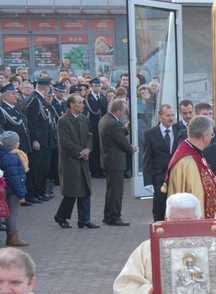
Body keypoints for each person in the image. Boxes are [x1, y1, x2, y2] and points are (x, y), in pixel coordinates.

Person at [112, 193, 204, 294]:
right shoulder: (146, 249)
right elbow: (124, 286)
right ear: (166, 219)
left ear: (200, 220)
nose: (181, 226)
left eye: (188, 220)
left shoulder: (212, 249)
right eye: (175, 220)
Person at [164, 116, 216, 219]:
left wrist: (212, 180)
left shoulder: (194, 152)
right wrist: (214, 183)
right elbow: (195, 192)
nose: (212, 138)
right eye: (212, 135)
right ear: (205, 137)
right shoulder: (187, 161)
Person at [54, 93, 99, 229]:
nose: (83, 105)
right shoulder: (63, 120)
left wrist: (88, 149)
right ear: (72, 105)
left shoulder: (83, 119)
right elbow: (65, 143)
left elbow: (89, 137)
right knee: (72, 191)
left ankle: (84, 219)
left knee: (85, 190)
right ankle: (61, 216)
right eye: (80, 103)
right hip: (71, 161)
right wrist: (81, 152)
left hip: (83, 160)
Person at [99, 99, 136, 226]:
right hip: (114, 161)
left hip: (109, 160)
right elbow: (121, 140)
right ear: (118, 111)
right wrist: (131, 148)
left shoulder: (106, 119)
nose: (124, 114)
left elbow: (116, 135)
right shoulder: (112, 123)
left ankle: (108, 215)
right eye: (123, 111)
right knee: (116, 190)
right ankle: (114, 216)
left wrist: (125, 129)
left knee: (111, 189)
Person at [142, 104, 181, 221]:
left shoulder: (180, 132)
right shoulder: (150, 134)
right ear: (160, 117)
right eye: (167, 115)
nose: (171, 118)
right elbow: (147, 158)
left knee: (177, 206)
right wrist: (147, 181)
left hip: (177, 176)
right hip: (159, 177)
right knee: (159, 208)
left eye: (172, 115)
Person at [25, 78, 57, 202]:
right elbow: (32, 122)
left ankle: (40, 190)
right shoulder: (34, 100)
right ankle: (34, 192)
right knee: (36, 168)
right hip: (39, 140)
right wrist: (35, 139)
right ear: (46, 88)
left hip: (46, 140)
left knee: (44, 168)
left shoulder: (40, 100)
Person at [0, 131, 28, 246]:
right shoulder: (12, 157)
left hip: (6, 188)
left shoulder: (5, 154)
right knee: (12, 214)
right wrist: (21, 194)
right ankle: (12, 237)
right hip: (12, 190)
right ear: (13, 144)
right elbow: (14, 178)